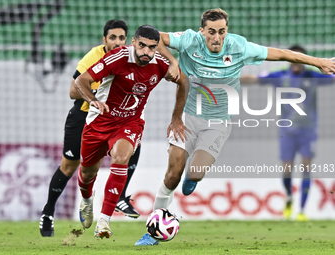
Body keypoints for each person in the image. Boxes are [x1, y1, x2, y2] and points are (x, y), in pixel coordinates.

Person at [135, 8, 335, 245]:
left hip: (219, 122)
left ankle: (193, 176)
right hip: (188, 117)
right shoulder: (189, 40)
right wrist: (173, 61)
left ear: (226, 31)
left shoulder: (239, 47)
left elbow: (281, 54)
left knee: (195, 173)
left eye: (221, 32)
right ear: (203, 31)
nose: (216, 38)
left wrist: (318, 62)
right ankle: (152, 231)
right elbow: (152, 36)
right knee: (172, 175)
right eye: (211, 32)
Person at [74, 24, 187, 239]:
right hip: (100, 120)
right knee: (88, 172)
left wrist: (176, 117)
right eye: (142, 46)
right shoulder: (118, 58)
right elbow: (81, 80)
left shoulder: (160, 64)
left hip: (130, 122)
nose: (146, 52)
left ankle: (104, 221)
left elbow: (184, 82)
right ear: (133, 42)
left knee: (122, 157)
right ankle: (87, 200)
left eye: (152, 48)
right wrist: (93, 100)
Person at [39, 20, 141, 237]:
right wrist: (96, 93)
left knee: (132, 146)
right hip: (85, 115)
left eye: (121, 38)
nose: (117, 42)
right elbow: (73, 91)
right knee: (69, 166)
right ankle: (48, 211)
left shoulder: (131, 57)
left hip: (114, 119)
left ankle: (120, 197)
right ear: (104, 40)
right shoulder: (93, 57)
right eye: (112, 38)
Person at [240, 45, 335, 221]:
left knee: (306, 168)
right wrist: (229, 79)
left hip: (308, 131)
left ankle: (301, 211)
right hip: (287, 132)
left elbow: (332, 78)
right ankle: (289, 198)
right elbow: (253, 79)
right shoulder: (279, 75)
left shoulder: (313, 76)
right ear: (290, 60)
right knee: (287, 170)